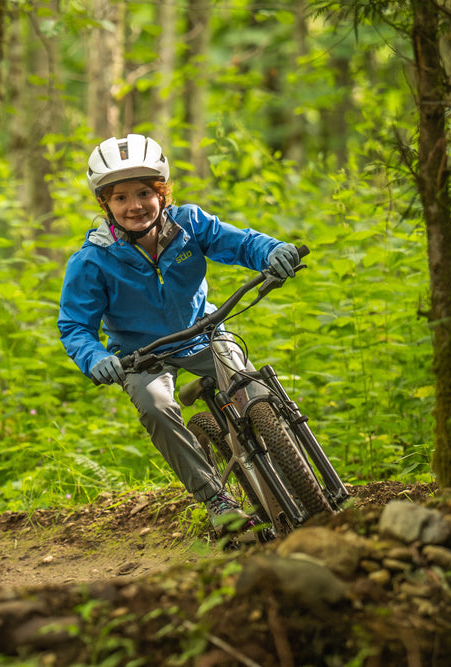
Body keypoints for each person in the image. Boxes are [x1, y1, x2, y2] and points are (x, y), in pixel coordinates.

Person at [57, 134, 302, 532]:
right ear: (105, 204)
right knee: (155, 405)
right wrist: (97, 357)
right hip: (141, 355)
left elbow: (241, 244)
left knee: (251, 388)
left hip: (201, 332)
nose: (134, 205)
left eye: (143, 192)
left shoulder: (189, 225)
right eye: (120, 198)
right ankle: (216, 499)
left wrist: (271, 251)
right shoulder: (92, 260)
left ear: (162, 193)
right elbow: (75, 326)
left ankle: (292, 461)